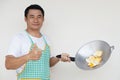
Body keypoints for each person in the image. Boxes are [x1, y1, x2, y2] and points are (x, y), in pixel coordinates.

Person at [5, 4, 71, 80]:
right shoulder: (19, 38)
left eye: (39, 17)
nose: (36, 20)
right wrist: (28, 56)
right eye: (32, 17)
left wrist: (58, 57)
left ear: (43, 19)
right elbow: (8, 64)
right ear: (25, 19)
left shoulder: (46, 39)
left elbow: (47, 63)